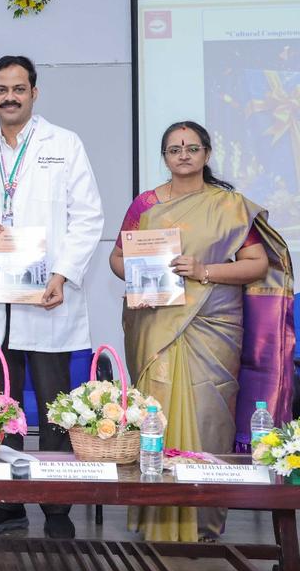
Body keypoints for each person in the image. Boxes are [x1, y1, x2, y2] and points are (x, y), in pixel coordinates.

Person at [109, 121, 293, 542]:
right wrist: (140, 276)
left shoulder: (229, 206)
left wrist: (203, 270)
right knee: (155, 415)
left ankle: (204, 521)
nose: (184, 155)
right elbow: (117, 258)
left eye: (192, 148)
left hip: (213, 327)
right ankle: (154, 519)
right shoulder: (145, 204)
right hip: (156, 324)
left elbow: (257, 264)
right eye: (174, 149)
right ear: (165, 157)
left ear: (207, 154)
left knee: (209, 416)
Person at [0, 55, 104, 540]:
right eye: (1, 90)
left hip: (47, 298)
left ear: (34, 93)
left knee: (55, 407)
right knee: (2, 408)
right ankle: (7, 503)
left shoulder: (65, 144)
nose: (10, 97)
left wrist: (63, 274)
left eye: (19, 88)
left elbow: (88, 217)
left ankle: (56, 506)